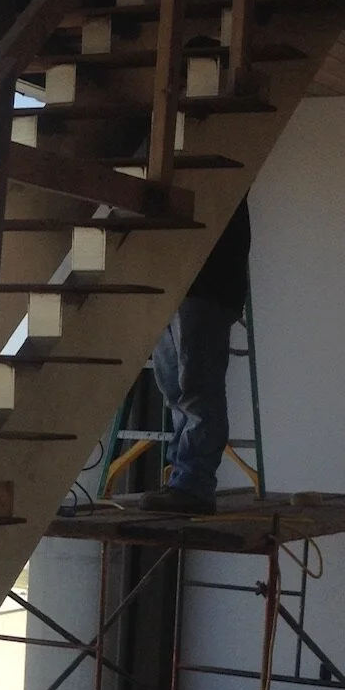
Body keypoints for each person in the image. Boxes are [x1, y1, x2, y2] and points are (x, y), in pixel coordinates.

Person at [139, 196, 252, 516]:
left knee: (196, 387)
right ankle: (184, 478)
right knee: (175, 387)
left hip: (207, 285)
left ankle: (194, 483)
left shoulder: (222, 184)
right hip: (177, 282)